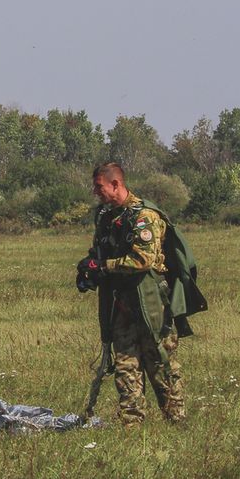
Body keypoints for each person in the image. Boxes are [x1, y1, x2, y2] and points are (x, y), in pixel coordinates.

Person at [78, 162, 192, 427]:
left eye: (99, 186)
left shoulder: (144, 217)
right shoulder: (108, 218)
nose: (96, 192)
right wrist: (88, 267)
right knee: (125, 365)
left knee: (160, 364)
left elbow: (143, 260)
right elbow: (101, 252)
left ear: (115, 184)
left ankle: (177, 422)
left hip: (151, 306)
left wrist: (104, 267)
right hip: (122, 306)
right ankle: (132, 424)